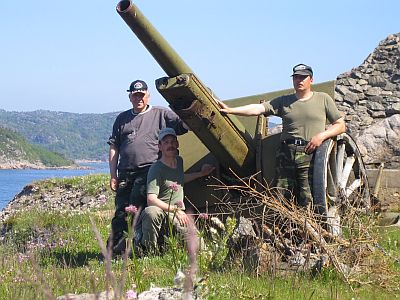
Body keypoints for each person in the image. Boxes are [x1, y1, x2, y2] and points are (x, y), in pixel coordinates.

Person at [218, 64, 346, 208]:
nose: (299, 80)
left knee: (309, 196)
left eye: (303, 77)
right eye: (296, 77)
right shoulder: (284, 101)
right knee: (282, 197)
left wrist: (322, 136)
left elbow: (340, 125)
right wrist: (230, 110)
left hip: (310, 152)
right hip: (286, 154)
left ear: (311, 80)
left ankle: (311, 227)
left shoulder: (323, 99)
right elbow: (258, 109)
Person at [107, 80, 189, 255]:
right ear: (130, 96)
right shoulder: (122, 119)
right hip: (125, 172)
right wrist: (113, 174)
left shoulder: (160, 114)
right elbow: (114, 146)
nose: (138, 98)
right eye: (135, 95)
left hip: (147, 171)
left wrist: (190, 109)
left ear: (148, 95)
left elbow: (183, 125)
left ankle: (139, 247)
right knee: (121, 212)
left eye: (141, 95)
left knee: (137, 210)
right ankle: (113, 249)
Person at [135, 127, 215, 254]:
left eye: (172, 142)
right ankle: (148, 251)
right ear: (160, 146)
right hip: (163, 211)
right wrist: (175, 210)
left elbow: (179, 179)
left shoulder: (179, 161)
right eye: (166, 142)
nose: (170, 145)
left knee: (199, 247)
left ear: (177, 144)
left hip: (177, 215)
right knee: (151, 212)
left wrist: (200, 174)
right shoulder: (156, 169)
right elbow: (151, 199)